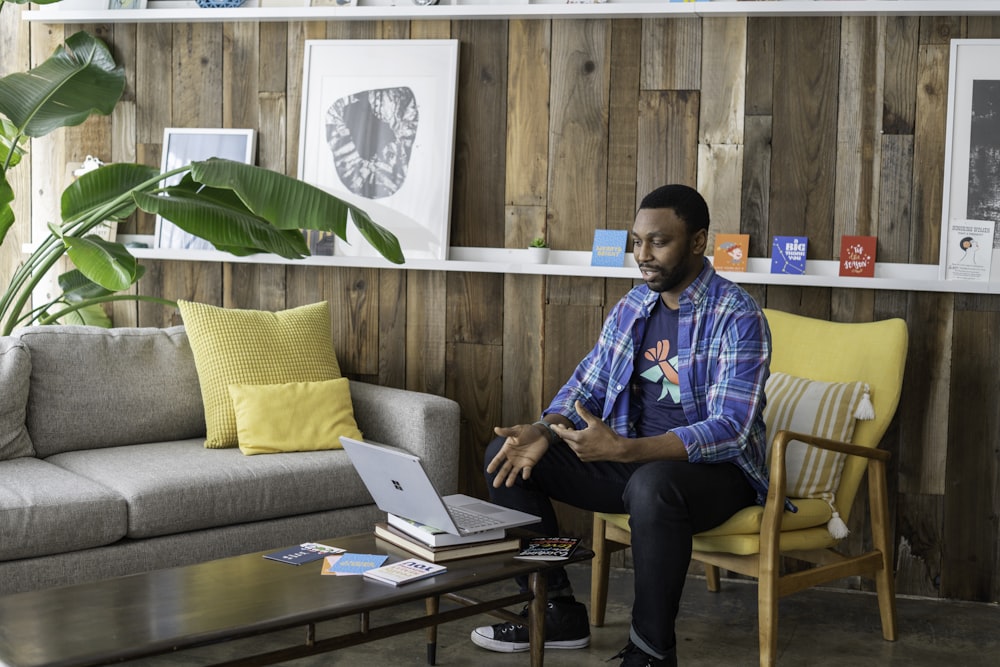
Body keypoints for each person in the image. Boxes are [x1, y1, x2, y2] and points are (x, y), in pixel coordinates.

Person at [469, 184, 772, 666]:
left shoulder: (737, 316)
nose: (643, 255)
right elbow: (584, 387)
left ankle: (651, 652)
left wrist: (629, 451)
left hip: (717, 476)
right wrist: (545, 429)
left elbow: (731, 429)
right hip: (629, 463)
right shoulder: (633, 307)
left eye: (659, 242)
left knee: (654, 486)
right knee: (504, 458)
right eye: (637, 242)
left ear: (698, 242)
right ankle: (556, 610)